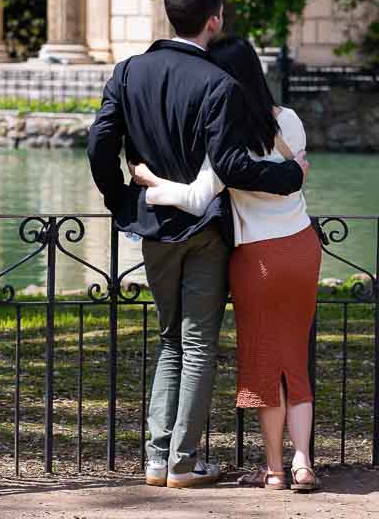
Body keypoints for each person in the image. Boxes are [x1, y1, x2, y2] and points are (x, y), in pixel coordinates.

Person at [86, 0, 310, 489]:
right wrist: (290, 174)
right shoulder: (218, 82)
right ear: (215, 20)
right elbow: (231, 165)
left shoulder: (126, 72)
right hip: (205, 229)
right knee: (197, 343)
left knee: (169, 340)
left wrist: (120, 198)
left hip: (153, 226)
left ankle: (156, 458)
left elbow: (100, 141)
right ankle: (182, 462)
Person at [131, 37, 322, 492]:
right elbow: (296, 173)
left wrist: (149, 180)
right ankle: (303, 463)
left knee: (263, 360)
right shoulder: (290, 122)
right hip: (302, 246)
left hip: (257, 256)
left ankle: (275, 471)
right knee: (294, 357)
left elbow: (197, 198)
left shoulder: (226, 137)